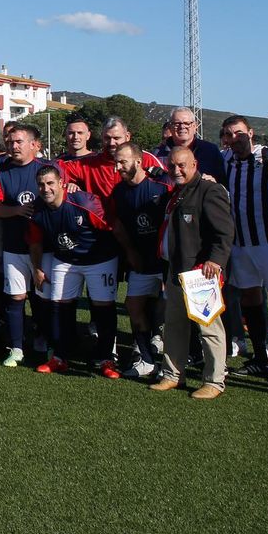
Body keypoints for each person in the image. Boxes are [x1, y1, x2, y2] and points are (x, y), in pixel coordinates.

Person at [150, 147, 233, 400]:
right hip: (176, 271)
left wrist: (215, 261)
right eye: (172, 166)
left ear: (195, 164)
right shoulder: (176, 193)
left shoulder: (210, 190)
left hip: (200, 274)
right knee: (174, 327)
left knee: (209, 330)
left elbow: (225, 232)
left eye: (182, 165)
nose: (177, 170)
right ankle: (173, 374)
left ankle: (215, 380)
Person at [27, 165, 120, 378]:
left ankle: (106, 359)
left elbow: (112, 228)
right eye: (41, 184)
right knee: (58, 305)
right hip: (65, 259)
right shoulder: (37, 209)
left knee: (103, 307)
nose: (46, 189)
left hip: (99, 259)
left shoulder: (83, 202)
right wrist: (38, 268)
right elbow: (35, 242)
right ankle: (59, 357)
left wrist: (129, 256)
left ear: (61, 183)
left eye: (50, 183)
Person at [220, 115, 268, 379]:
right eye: (228, 135)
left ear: (250, 133)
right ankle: (261, 358)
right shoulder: (225, 159)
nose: (234, 139)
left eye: (239, 133)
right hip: (240, 243)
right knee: (251, 299)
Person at [109, 143, 172, 377]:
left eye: (123, 162)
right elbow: (118, 225)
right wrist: (130, 251)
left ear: (139, 161)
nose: (118, 167)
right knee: (133, 306)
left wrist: (170, 256)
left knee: (172, 314)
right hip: (141, 261)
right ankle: (146, 359)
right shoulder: (119, 192)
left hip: (165, 261)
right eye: (116, 162)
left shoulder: (162, 185)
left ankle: (173, 365)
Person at [0, 124, 47, 366]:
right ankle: (17, 347)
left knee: (43, 297)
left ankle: (44, 341)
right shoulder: (1, 173)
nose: (13, 146)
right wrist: (18, 211)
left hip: (45, 248)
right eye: (10, 142)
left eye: (19, 141)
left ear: (34, 145)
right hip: (13, 247)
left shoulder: (48, 169)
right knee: (16, 298)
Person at [156, 106, 228, 182]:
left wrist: (214, 183)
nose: (182, 127)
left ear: (195, 126)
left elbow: (224, 183)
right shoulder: (157, 155)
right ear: (170, 127)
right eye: (177, 123)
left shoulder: (211, 151)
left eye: (187, 123)